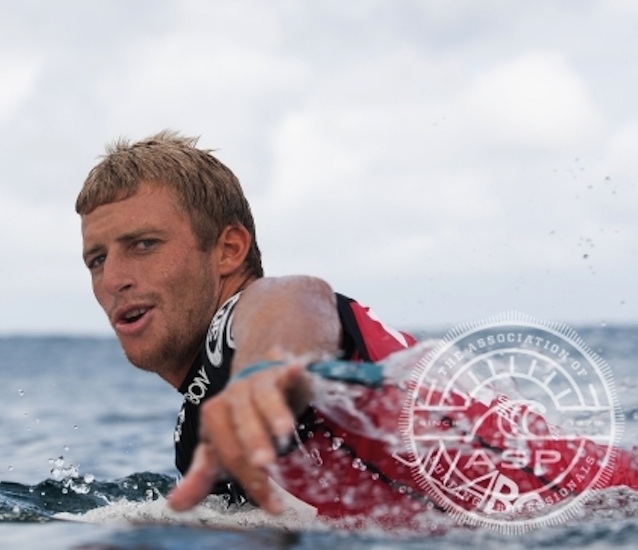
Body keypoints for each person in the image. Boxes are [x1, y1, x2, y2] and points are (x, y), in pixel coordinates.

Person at [75, 130, 637, 525]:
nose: (115, 278)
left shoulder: (250, 324)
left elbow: (296, 300)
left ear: (228, 250)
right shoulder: (201, 429)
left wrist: (267, 372)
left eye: (143, 245)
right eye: (97, 260)